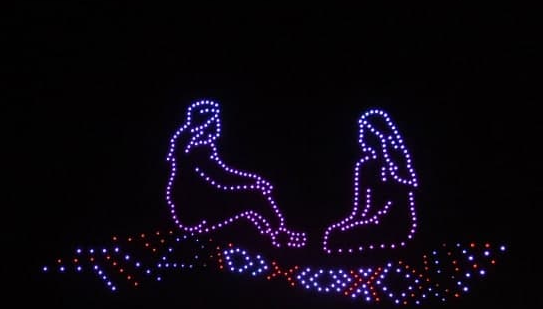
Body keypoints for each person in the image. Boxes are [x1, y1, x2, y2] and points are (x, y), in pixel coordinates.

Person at [166, 99, 306, 249]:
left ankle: (272, 237)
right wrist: (254, 182)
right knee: (254, 197)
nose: (216, 125)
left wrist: (253, 180)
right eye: (214, 120)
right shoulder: (195, 148)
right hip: (194, 209)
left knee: (252, 204)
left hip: (191, 203)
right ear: (206, 122)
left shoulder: (187, 142)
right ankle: (280, 236)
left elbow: (222, 174)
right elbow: (221, 177)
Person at [322, 109, 418, 255]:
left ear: (380, 136)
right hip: (370, 221)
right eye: (361, 131)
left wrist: (376, 217)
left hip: (396, 223)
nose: (363, 137)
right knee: (334, 235)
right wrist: (352, 223)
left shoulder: (399, 166)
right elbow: (359, 211)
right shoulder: (365, 166)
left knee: (346, 238)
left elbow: (401, 203)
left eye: (367, 131)